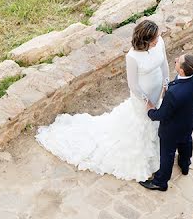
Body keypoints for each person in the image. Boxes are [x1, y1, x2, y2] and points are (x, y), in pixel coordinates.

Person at [35, 20, 168, 181]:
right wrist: (147, 101)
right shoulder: (132, 56)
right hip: (142, 97)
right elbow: (133, 84)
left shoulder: (159, 42)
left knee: (156, 119)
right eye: (154, 38)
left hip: (158, 89)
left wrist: (166, 83)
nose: (158, 39)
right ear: (145, 40)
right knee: (143, 121)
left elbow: (164, 62)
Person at [139, 53, 193, 192]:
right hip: (188, 121)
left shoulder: (174, 93)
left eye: (178, 61)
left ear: (181, 70)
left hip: (171, 129)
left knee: (167, 154)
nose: (175, 59)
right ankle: (185, 165)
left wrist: (150, 111)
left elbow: (162, 114)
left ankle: (161, 182)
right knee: (186, 141)